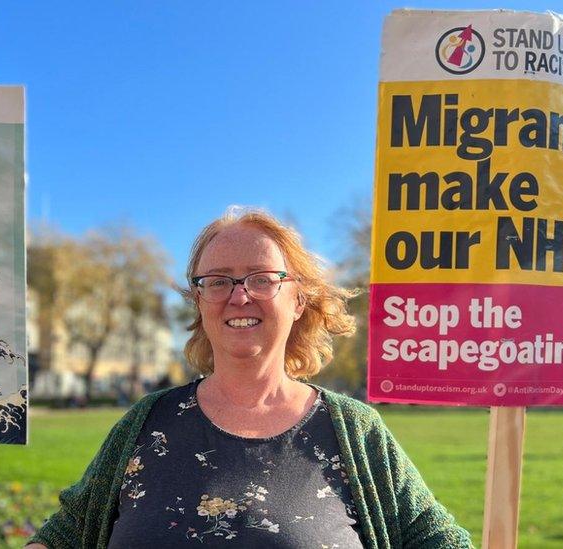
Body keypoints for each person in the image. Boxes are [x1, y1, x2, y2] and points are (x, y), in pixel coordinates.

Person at [24, 208, 471, 548]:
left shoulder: (353, 432)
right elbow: (67, 534)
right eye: (217, 281)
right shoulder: (147, 422)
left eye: (262, 279)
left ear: (299, 300)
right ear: (199, 302)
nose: (239, 297)